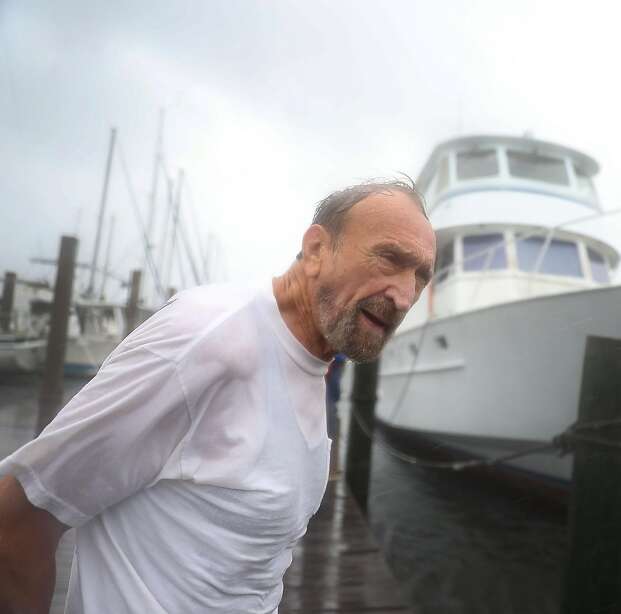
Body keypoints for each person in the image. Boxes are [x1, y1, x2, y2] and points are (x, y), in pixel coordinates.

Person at [0, 180, 435, 613]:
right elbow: (17, 519)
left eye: (420, 276)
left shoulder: (311, 359)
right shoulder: (205, 339)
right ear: (317, 249)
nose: (404, 296)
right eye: (389, 259)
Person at [325, 353, 347, 478]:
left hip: (326, 400)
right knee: (330, 432)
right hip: (329, 403)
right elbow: (335, 388)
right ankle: (331, 470)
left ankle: (330, 469)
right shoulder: (337, 363)